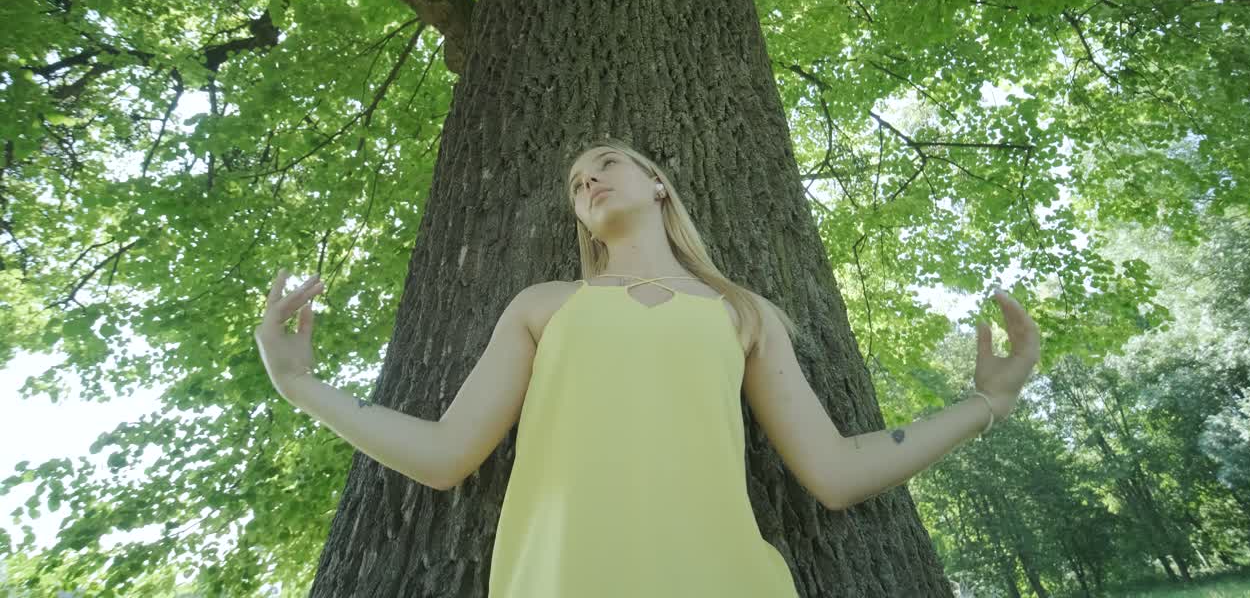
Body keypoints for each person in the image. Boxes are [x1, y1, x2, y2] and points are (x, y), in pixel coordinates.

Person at [254, 137, 1042, 596]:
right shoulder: (543, 304)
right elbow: (444, 455)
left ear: (658, 184)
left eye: (604, 164)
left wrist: (985, 405)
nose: (587, 180)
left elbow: (834, 471)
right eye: (576, 184)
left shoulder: (744, 312)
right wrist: (302, 387)